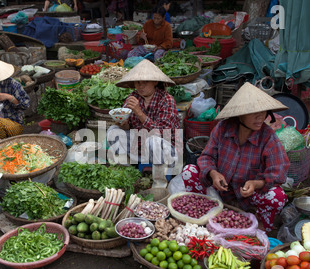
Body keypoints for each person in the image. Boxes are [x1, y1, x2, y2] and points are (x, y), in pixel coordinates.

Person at [182, 82, 290, 232]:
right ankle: (203, 216)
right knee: (189, 170)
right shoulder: (223, 128)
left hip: (249, 195)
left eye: (264, 112)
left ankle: (260, 227)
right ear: (240, 114)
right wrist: (214, 173)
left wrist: (255, 184)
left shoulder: (268, 137)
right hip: (220, 191)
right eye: (253, 112)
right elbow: (206, 157)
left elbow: (279, 171)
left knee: (277, 196)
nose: (260, 117)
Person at [107, 59, 182, 188]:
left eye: (145, 82)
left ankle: (159, 185)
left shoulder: (167, 100)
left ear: (155, 82)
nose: (140, 86)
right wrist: (122, 123)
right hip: (140, 148)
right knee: (113, 131)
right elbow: (128, 127)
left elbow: (162, 134)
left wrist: (139, 112)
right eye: (137, 82)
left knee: (153, 140)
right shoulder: (133, 97)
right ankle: (127, 174)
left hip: (166, 152)